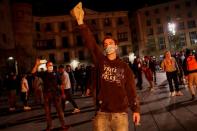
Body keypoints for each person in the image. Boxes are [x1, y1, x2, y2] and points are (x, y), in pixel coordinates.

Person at [70, 2, 140, 131]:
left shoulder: (124, 67)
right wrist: (80, 22)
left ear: (116, 46)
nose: (108, 45)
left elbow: (131, 89)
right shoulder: (101, 61)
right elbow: (90, 43)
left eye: (110, 43)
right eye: (105, 44)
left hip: (120, 115)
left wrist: (135, 110)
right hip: (101, 113)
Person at [31, 59, 67, 131]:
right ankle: (49, 126)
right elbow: (33, 73)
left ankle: (63, 125)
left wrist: (63, 93)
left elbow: (61, 84)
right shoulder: (43, 74)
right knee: (47, 112)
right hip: (47, 95)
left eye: (52, 65)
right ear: (46, 66)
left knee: (60, 111)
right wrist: (37, 64)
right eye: (49, 65)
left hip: (56, 94)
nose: (51, 66)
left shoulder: (56, 73)